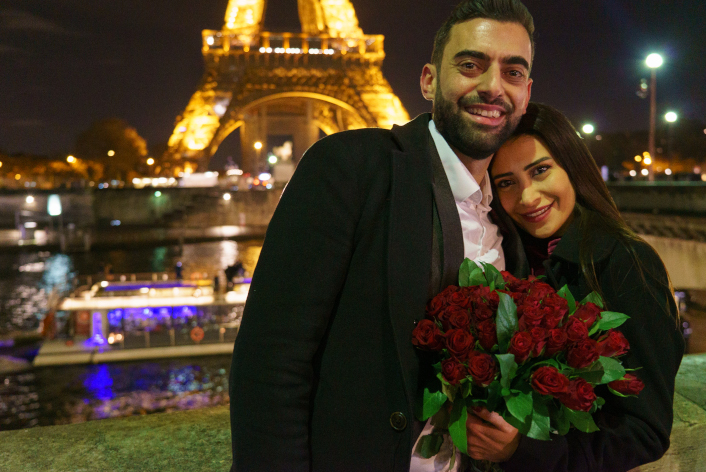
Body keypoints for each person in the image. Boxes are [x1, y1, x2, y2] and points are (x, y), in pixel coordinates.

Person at [229, 0, 535, 470]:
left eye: (512, 73)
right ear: (429, 79)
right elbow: (270, 364)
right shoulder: (347, 168)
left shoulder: (511, 222)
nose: (493, 86)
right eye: (471, 65)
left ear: (527, 91)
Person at [468, 102, 683, 471]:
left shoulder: (624, 262)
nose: (527, 197)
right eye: (506, 183)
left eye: (540, 171)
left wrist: (521, 450)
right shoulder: (511, 258)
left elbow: (645, 431)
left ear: (572, 166)